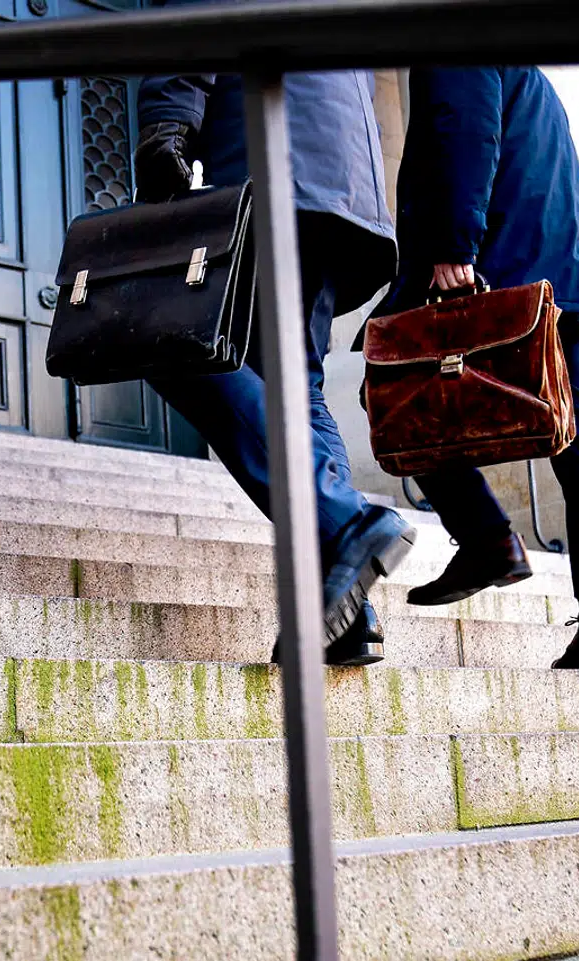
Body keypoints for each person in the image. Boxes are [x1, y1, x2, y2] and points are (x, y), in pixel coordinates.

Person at [134, 0, 415, 667]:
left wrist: (167, 122)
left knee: (166, 338)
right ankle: (347, 611)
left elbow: (195, 13)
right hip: (340, 178)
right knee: (296, 384)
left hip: (271, 152)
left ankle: (346, 520)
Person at [376, 66, 579, 670]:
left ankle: (488, 539)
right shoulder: (529, 71)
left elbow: (467, 128)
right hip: (557, 269)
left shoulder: (456, 30)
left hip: (500, 263)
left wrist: (455, 244)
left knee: (397, 394)